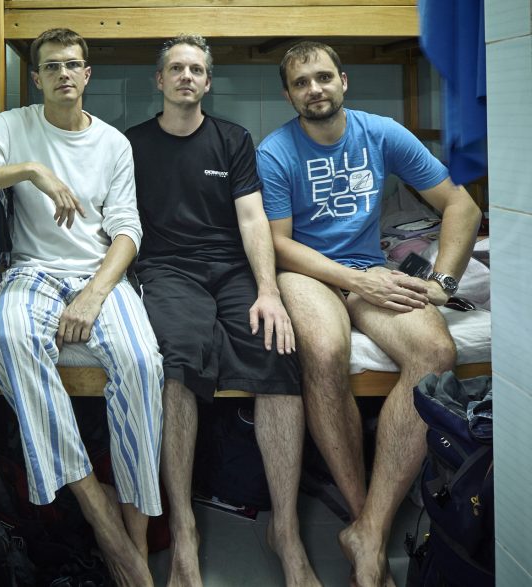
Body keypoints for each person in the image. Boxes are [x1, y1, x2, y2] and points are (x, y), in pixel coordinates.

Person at [0, 28, 164, 587]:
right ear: (36, 78)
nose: (64, 74)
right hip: (33, 272)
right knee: (9, 341)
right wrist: (28, 170)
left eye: (73, 65)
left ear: (87, 74)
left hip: (99, 274)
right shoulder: (15, 127)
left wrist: (94, 293)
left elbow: (127, 230)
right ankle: (98, 512)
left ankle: (134, 535)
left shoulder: (113, 143)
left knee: (141, 362)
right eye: (52, 66)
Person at [256, 41, 482, 586]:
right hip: (308, 272)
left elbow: (462, 205)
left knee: (436, 351)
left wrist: (440, 284)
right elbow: (279, 244)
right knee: (325, 349)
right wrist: (356, 280)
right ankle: (361, 513)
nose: (314, 89)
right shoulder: (275, 151)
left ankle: (369, 531)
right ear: (288, 95)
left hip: (367, 269)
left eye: (323, 77)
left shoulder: (381, 133)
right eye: (301, 83)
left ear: (343, 81)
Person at [125, 35, 321, 587]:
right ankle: (183, 527)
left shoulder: (233, 139)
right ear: (160, 80)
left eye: (196, 70)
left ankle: (286, 531)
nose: (186, 76)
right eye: (176, 69)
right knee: (178, 359)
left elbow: (254, 220)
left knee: (277, 350)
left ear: (208, 82)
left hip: (232, 270)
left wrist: (268, 290)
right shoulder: (131, 144)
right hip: (167, 270)